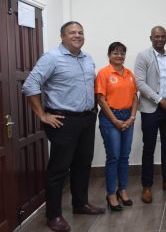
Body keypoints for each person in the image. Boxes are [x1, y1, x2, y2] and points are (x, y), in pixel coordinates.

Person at [22, 21, 105, 232]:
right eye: (72, 33)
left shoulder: (88, 59)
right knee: (58, 169)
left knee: (82, 164)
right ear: (62, 36)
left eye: (80, 32)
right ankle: (54, 215)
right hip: (63, 121)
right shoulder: (52, 58)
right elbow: (30, 85)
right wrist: (42, 115)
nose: (77, 35)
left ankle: (80, 204)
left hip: (87, 119)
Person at [134, 26, 166, 204]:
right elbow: (139, 83)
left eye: (163, 36)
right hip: (150, 109)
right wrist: (160, 99)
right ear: (151, 38)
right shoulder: (143, 56)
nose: (160, 39)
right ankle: (147, 186)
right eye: (157, 36)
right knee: (149, 148)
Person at [95, 42, 138, 212]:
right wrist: (114, 120)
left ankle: (123, 190)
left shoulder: (129, 74)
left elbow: (135, 97)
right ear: (109, 55)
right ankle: (111, 193)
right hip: (109, 117)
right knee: (113, 156)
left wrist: (132, 117)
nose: (119, 56)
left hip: (128, 117)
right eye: (115, 53)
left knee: (124, 156)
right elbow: (100, 99)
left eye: (122, 53)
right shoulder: (104, 73)